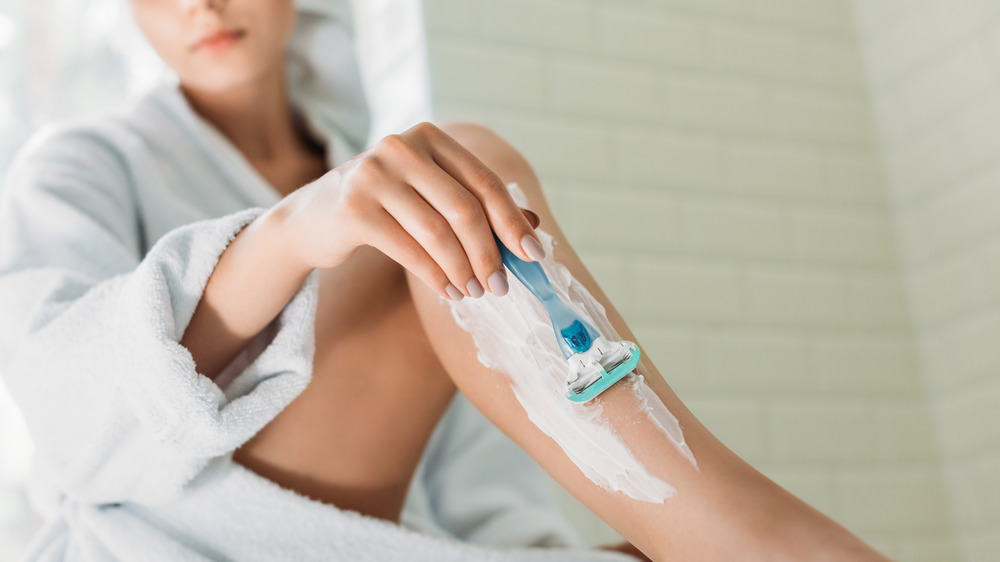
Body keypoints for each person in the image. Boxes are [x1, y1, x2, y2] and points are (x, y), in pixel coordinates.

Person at [0, 0, 892, 561]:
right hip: (168, 534)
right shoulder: (80, 165)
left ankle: (707, 533)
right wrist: (293, 233)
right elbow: (69, 419)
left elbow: (478, 474)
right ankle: (745, 536)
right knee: (451, 182)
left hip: (370, 536)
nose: (202, 3)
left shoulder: (371, 173)